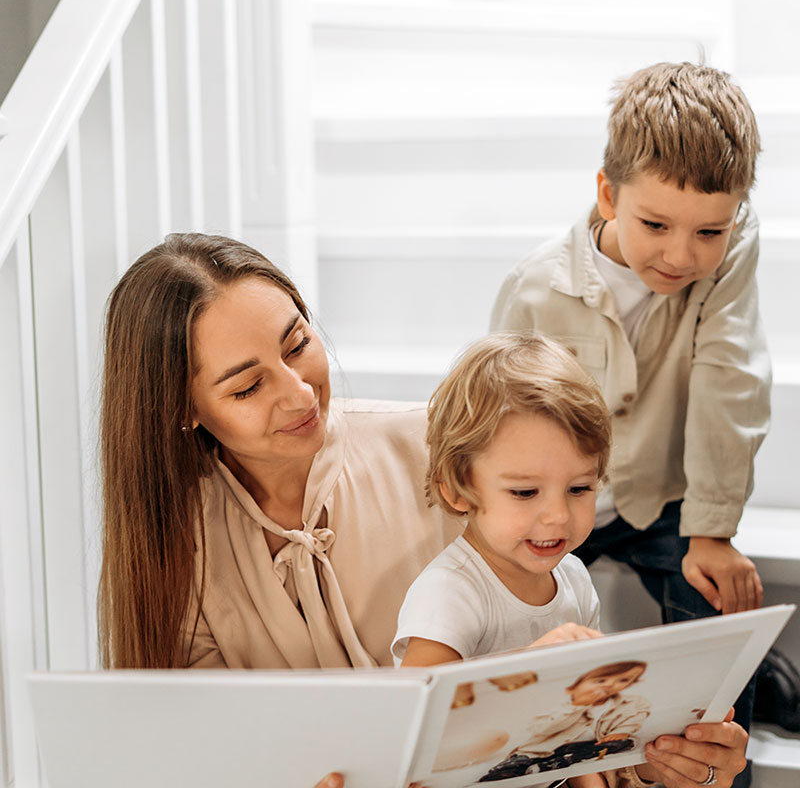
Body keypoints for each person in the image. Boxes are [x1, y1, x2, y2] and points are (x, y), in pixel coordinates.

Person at [98, 232, 749, 788]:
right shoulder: (169, 546)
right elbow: (191, 756)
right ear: (183, 410)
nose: (298, 393)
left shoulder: (453, 456)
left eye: (297, 344)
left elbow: (568, 723)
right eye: (246, 385)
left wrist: (673, 764)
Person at [490, 63, 773, 786]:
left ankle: (751, 697)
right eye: (654, 225)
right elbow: (496, 427)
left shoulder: (731, 254)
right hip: (561, 499)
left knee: (712, 630)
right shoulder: (535, 288)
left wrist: (713, 531)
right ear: (608, 194)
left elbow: (729, 376)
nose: (682, 255)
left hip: (661, 497)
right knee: (512, 631)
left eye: (709, 230)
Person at [392, 333, 609, 669]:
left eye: (579, 488)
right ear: (455, 489)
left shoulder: (574, 578)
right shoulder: (450, 593)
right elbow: (417, 706)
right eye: (525, 493)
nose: (558, 516)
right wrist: (527, 664)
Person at [480, 661, 650, 781]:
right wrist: (577, 706)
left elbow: (634, 718)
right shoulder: (557, 702)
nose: (610, 685)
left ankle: (560, 762)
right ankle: (520, 765)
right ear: (574, 685)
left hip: (587, 747)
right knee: (519, 761)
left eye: (623, 680)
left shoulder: (630, 703)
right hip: (542, 749)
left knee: (622, 743)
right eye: (600, 680)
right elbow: (539, 729)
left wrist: (619, 732)